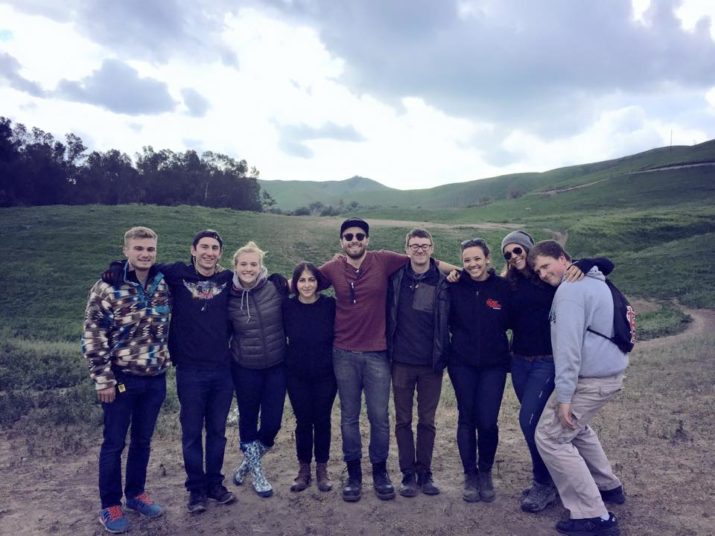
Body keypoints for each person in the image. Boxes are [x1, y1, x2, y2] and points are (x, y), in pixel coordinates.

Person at [316, 218, 458, 502]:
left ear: (367, 239)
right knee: (349, 417)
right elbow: (304, 281)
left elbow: (424, 258)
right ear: (341, 241)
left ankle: (380, 472)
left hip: (378, 353)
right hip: (343, 353)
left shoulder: (383, 260)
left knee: (380, 418)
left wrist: (457, 271)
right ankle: (354, 474)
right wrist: (268, 281)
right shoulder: (332, 267)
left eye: (359, 236)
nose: (354, 240)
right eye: (348, 236)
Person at [102, 229, 236, 514]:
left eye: (214, 248)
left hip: (223, 370)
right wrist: (117, 266)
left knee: (217, 432)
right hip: (189, 370)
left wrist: (277, 280)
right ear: (193, 250)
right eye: (204, 247)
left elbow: (254, 277)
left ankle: (215, 484)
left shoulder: (228, 279)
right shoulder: (175, 274)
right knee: (191, 433)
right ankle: (195, 490)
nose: (209, 252)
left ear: (220, 253)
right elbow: (143, 263)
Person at [501, 230, 614, 513]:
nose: (513, 256)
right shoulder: (509, 284)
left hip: (547, 362)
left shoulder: (551, 277)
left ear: (529, 250)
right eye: (507, 253)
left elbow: (606, 265)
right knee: (545, 423)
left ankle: (543, 483)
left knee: (530, 422)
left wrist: (587, 262)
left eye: (518, 250)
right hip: (520, 362)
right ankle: (600, 482)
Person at [529, 240, 627, 536]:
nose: (543, 274)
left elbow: (568, 349)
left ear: (563, 259)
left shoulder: (570, 291)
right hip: (608, 372)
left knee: (550, 437)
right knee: (577, 429)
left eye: (546, 265)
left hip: (590, 379)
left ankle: (593, 515)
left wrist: (565, 396)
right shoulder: (596, 281)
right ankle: (607, 486)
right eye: (538, 271)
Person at [83, 227, 170, 534]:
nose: (145, 254)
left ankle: (135, 494)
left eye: (150, 249)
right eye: (139, 248)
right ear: (126, 251)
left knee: (143, 441)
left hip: (155, 377)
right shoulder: (107, 287)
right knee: (114, 443)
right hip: (120, 379)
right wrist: (103, 379)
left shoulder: (163, 284)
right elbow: (93, 334)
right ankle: (110, 505)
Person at [447, 238, 511, 504]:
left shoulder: (502, 288)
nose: (472, 264)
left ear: (487, 259)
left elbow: (514, 321)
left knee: (487, 420)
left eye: (477, 258)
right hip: (461, 363)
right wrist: (452, 274)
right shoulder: (454, 285)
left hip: (494, 364)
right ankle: (470, 475)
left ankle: (485, 471)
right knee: (467, 417)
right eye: (467, 260)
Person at [386, 229, 449, 497]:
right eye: (414, 245)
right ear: (407, 249)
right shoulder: (395, 279)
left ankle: (425, 472)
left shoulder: (444, 281)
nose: (419, 249)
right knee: (403, 420)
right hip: (401, 362)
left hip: (430, 364)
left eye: (424, 245)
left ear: (432, 248)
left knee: (427, 420)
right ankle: (407, 474)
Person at [228, 241, 288, 498]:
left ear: (261, 266)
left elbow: (310, 282)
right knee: (248, 421)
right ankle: (257, 473)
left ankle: (246, 465)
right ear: (235, 266)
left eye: (253, 264)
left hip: (276, 365)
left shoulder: (275, 287)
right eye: (244, 264)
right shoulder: (228, 295)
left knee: (272, 424)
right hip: (245, 368)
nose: (248, 269)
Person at [283, 262, 337, 493]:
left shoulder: (329, 305)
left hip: (326, 373)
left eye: (311, 280)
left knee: (322, 420)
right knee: (303, 421)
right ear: (295, 283)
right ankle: (303, 469)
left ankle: (322, 469)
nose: (307, 285)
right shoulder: (287, 306)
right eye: (302, 280)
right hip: (296, 374)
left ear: (318, 282)